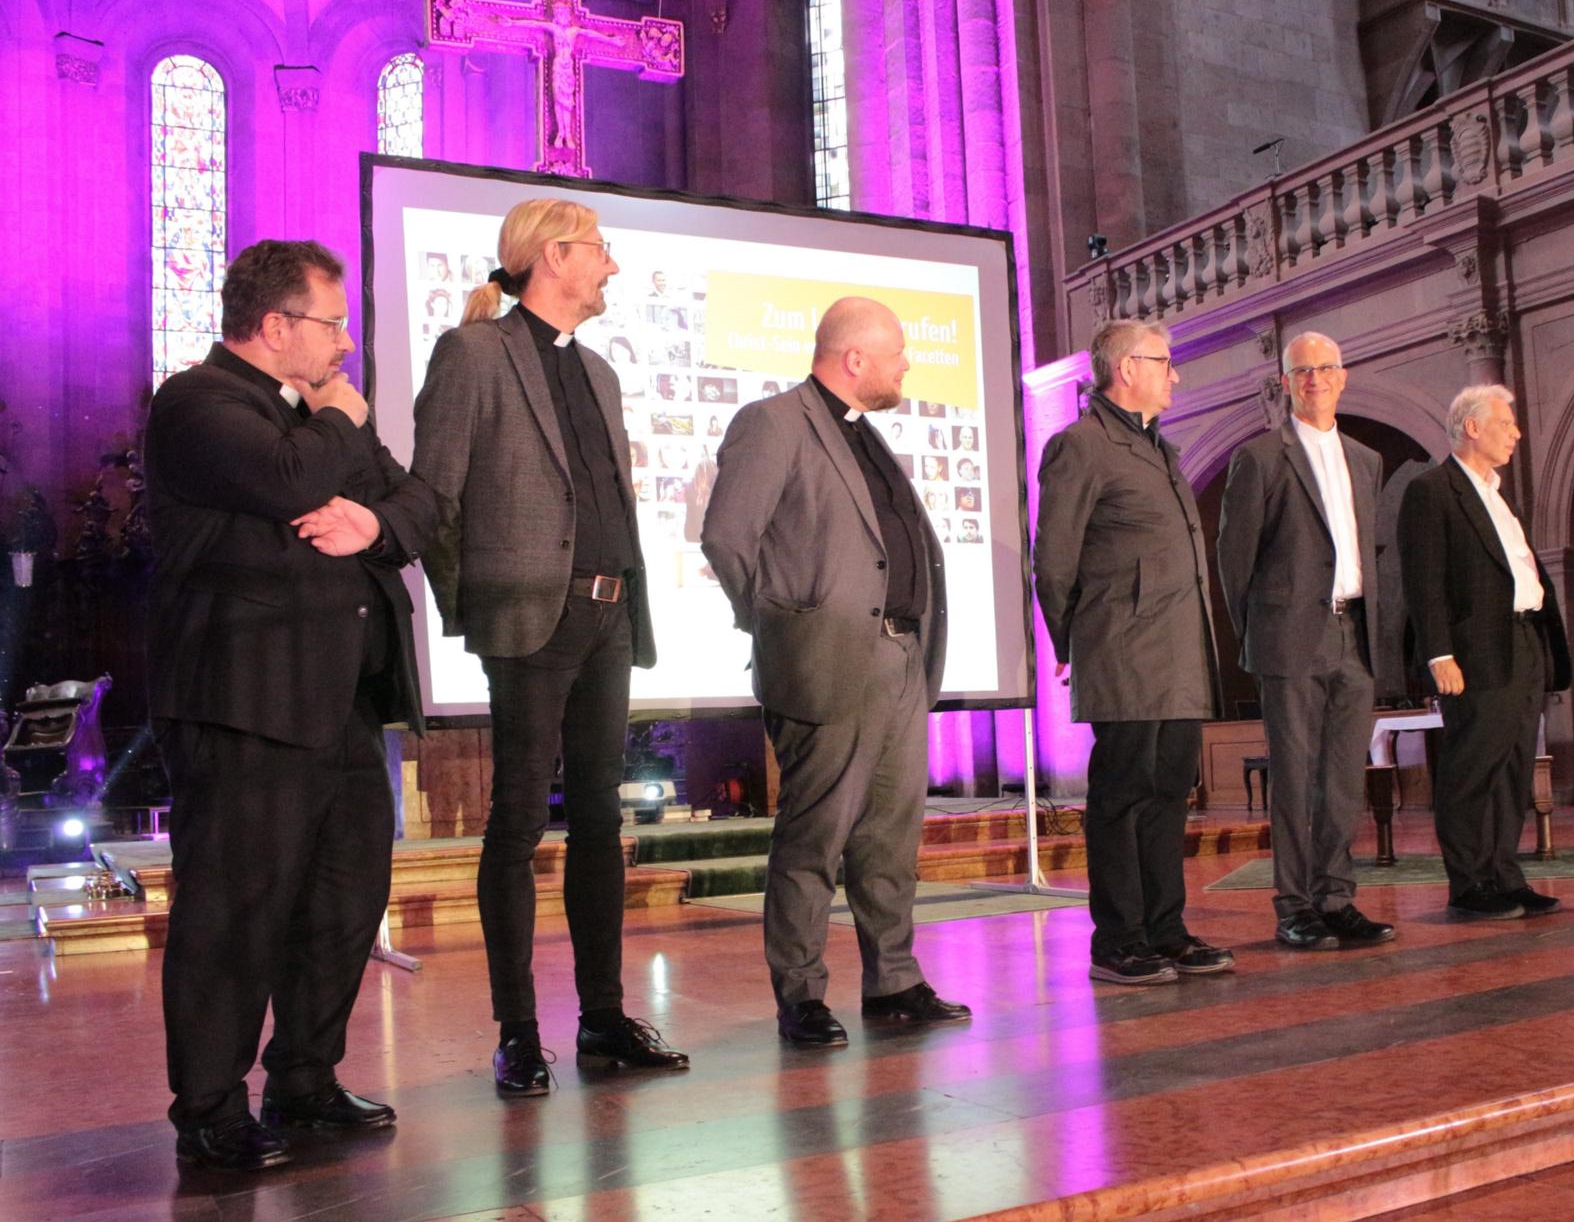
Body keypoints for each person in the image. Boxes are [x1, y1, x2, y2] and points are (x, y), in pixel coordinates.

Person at [146, 239, 438, 1169]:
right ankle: (210, 1107)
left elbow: (421, 505)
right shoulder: (196, 403)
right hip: (245, 699)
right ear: (275, 327)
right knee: (235, 910)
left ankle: (304, 1079)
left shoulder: (315, 419)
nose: (343, 344)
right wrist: (342, 423)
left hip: (340, 701)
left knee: (344, 899)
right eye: (331, 323)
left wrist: (375, 524)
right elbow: (284, 481)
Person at [414, 197, 688, 1095]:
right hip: (529, 620)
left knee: (603, 823)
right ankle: (519, 1030)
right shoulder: (475, 352)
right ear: (554, 255)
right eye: (601, 252)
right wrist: (476, 609)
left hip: (610, 618)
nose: (611, 267)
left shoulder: (600, 372)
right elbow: (437, 499)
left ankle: (603, 1020)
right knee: (518, 822)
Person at [701, 296, 969, 1047]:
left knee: (890, 837)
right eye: (897, 352)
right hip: (827, 663)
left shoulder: (864, 435)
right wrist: (787, 623)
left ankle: (894, 981)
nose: (906, 364)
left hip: (900, 662)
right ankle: (803, 996)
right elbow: (727, 539)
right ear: (855, 359)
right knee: (814, 840)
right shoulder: (775, 422)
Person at [1033, 319, 1234, 984]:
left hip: (1176, 652)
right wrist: (1073, 639)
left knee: (1171, 790)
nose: (1175, 374)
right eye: (1165, 362)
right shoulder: (1081, 446)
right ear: (1127, 369)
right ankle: (1118, 938)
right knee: (1123, 795)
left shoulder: (1161, 449)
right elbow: (1054, 559)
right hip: (1123, 647)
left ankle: (1166, 930)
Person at [1217, 333, 1396, 951]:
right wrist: (1261, 636)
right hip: (1289, 639)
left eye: (1324, 368)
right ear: (1285, 383)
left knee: (1344, 778)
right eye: (1301, 371)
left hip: (1355, 633)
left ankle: (1336, 898)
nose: (1315, 379)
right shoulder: (1261, 457)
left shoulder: (1367, 459)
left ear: (1342, 376)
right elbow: (1233, 561)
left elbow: (1366, 552)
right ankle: (1294, 906)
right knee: (1294, 779)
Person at [1398, 384, 1572, 920]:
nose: (1517, 433)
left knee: (1514, 769)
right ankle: (1469, 884)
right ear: (1472, 427)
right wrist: (1438, 655)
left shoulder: (1498, 492)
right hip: (1474, 653)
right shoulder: (1432, 490)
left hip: (1522, 642)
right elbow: (1424, 583)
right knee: (1473, 769)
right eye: (1506, 423)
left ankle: (1504, 874)